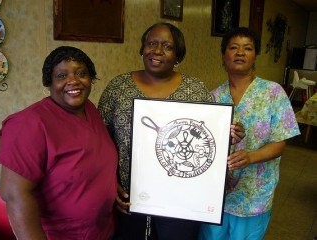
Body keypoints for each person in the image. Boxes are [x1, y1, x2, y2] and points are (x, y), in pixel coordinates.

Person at [98, 22, 244, 240]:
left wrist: (229, 133)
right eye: (151, 43)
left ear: (178, 55)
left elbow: (208, 135)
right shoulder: (118, 87)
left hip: (181, 197)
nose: (157, 50)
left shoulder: (195, 89)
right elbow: (101, 139)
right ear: (142, 48)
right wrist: (111, 181)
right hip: (129, 195)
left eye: (167, 46)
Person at [0, 46, 118, 240]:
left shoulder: (90, 109)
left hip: (105, 230)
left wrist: (112, 185)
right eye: (61, 76)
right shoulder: (28, 124)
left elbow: (96, 158)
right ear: (49, 82)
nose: (73, 81)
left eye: (81, 73)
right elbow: (14, 195)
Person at [198, 27, 300, 240]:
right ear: (224, 55)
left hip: (254, 193)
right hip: (217, 193)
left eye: (248, 48)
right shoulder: (214, 96)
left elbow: (280, 143)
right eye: (233, 47)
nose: (240, 53)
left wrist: (250, 156)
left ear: (255, 56)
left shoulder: (273, 93)